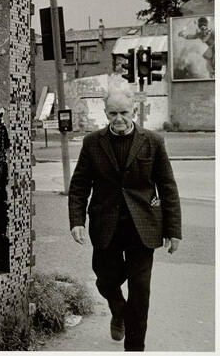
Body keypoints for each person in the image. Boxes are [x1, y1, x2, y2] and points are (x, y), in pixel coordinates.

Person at [68, 88, 181, 351]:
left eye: (124, 112)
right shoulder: (93, 142)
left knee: (140, 291)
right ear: (105, 112)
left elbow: (167, 187)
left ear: (134, 111)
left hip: (143, 227)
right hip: (105, 224)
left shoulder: (152, 141)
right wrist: (77, 221)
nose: (118, 119)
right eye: (112, 113)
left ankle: (135, 347)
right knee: (105, 280)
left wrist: (173, 230)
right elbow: (79, 186)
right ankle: (119, 311)